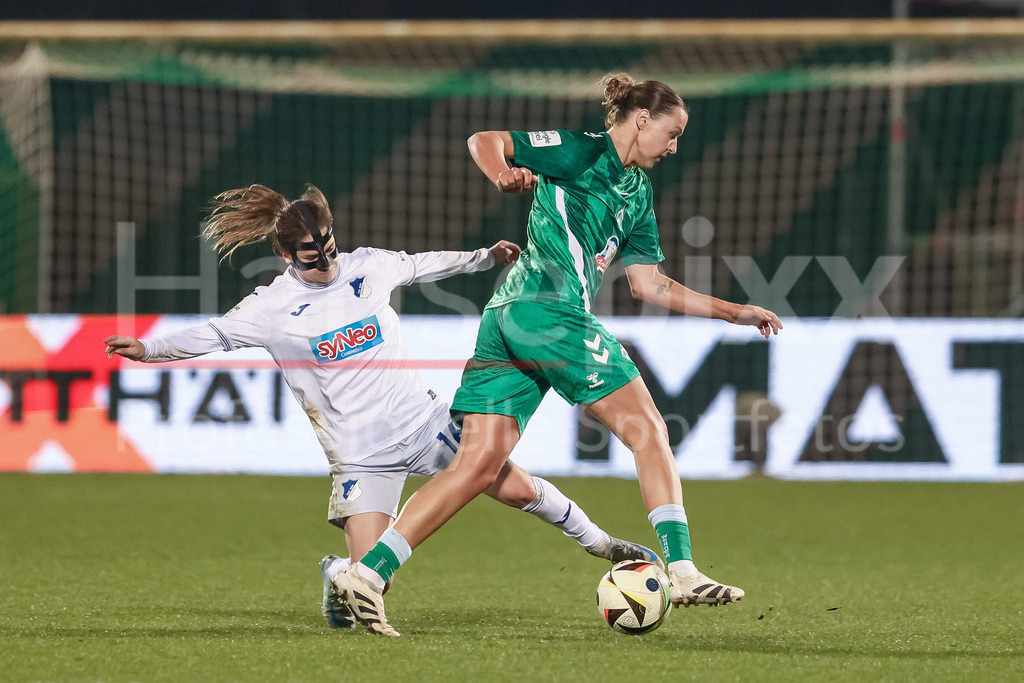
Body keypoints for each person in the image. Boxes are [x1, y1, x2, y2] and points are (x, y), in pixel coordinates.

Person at [334, 74, 784, 636]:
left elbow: (649, 285)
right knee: (648, 428)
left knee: (476, 467)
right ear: (641, 120)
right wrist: (502, 173)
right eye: (671, 134)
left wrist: (731, 311)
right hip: (546, 310)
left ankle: (368, 575)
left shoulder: (638, 194)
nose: (674, 148)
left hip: (506, 319)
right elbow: (484, 139)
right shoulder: (581, 151)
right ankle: (685, 569)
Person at [102, 183, 660, 631]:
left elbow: (421, 265)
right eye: (311, 256)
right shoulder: (271, 307)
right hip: (360, 456)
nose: (324, 261)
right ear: (284, 255)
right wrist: (149, 348)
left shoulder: (369, 266)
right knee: (372, 580)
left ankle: (602, 543)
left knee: (512, 485)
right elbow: (214, 335)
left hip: (422, 426)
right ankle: (336, 572)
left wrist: (482, 257)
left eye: (328, 248)